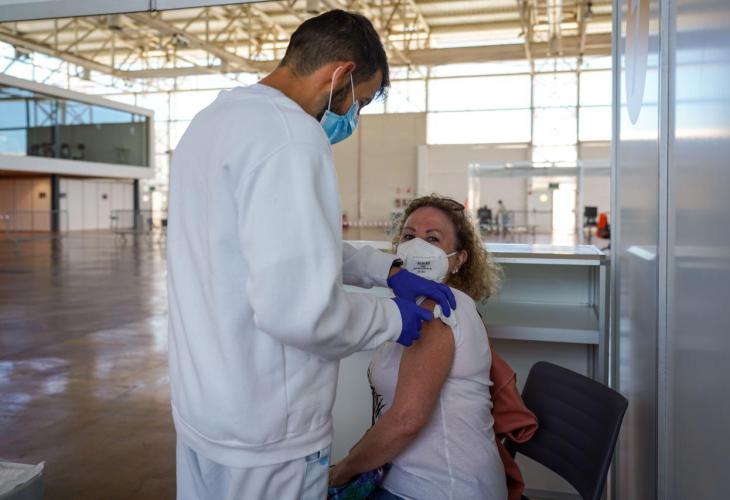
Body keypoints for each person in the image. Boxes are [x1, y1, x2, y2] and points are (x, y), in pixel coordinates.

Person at [166, 10, 459, 500]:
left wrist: (384, 270)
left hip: (204, 407)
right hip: (269, 429)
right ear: (341, 74)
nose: (352, 118)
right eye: (358, 102)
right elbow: (302, 313)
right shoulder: (292, 137)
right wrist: (392, 318)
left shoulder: (212, 121)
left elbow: (277, 245)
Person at [329, 195, 507, 499]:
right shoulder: (410, 309)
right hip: (405, 477)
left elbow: (405, 421)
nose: (417, 246)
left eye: (433, 238)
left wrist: (340, 473)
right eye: (409, 236)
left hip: (441, 488)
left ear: (459, 259)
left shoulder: (439, 310)